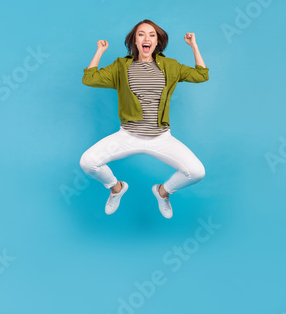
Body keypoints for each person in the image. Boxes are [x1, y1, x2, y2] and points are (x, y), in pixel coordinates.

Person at [80, 19, 209, 219]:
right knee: (88, 162)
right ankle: (117, 189)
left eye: (152, 35)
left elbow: (201, 75)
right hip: (128, 136)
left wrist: (194, 45)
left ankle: (162, 192)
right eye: (141, 34)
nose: (146, 38)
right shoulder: (121, 66)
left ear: (157, 42)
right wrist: (100, 51)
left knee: (196, 172)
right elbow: (89, 78)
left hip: (161, 138)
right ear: (135, 41)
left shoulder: (170, 65)